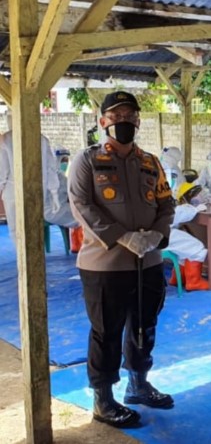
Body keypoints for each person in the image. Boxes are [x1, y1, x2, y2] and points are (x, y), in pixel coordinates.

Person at [68, 91, 175, 428]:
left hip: (148, 262)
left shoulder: (150, 162)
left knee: (145, 326)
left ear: (139, 121)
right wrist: (122, 236)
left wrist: (157, 234)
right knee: (106, 331)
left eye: (130, 115)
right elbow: (81, 205)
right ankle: (103, 399)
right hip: (105, 264)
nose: (123, 121)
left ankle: (138, 385)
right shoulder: (87, 160)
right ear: (103, 122)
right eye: (116, 116)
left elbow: (166, 203)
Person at [0, 113, 65, 245]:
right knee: (34, 225)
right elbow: (51, 168)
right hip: (37, 188)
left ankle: (24, 259)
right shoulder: (41, 139)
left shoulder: (6, 139)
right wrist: (54, 192)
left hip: (13, 192)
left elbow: (2, 171)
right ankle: (34, 258)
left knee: (15, 227)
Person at [164, 182, 211, 291]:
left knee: (184, 249)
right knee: (197, 247)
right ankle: (194, 282)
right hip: (163, 234)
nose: (197, 199)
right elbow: (179, 213)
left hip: (158, 234)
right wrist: (195, 209)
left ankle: (177, 278)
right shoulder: (181, 207)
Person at [52, 146, 83, 252]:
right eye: (62, 160)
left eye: (66, 160)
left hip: (60, 208)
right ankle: (80, 246)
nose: (65, 163)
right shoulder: (58, 178)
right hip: (57, 210)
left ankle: (76, 246)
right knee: (84, 217)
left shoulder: (59, 176)